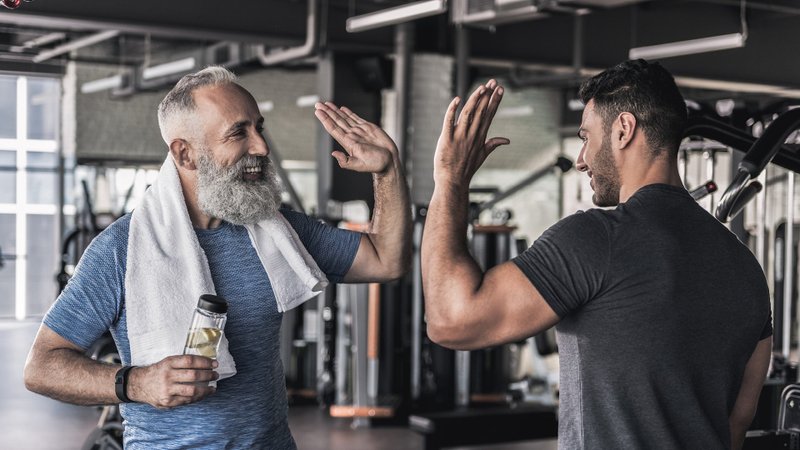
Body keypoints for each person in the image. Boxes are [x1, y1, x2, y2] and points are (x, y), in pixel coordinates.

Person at [23, 66, 411, 449]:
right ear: (185, 153)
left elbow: (386, 260)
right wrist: (136, 383)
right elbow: (42, 367)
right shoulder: (121, 250)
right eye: (238, 132)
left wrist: (387, 170)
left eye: (259, 127)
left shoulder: (279, 231)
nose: (260, 146)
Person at [421, 59, 772, 449]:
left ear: (623, 130)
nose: (581, 159)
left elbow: (449, 321)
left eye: (586, 137)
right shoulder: (746, 269)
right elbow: (736, 425)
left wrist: (449, 179)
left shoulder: (595, 238)